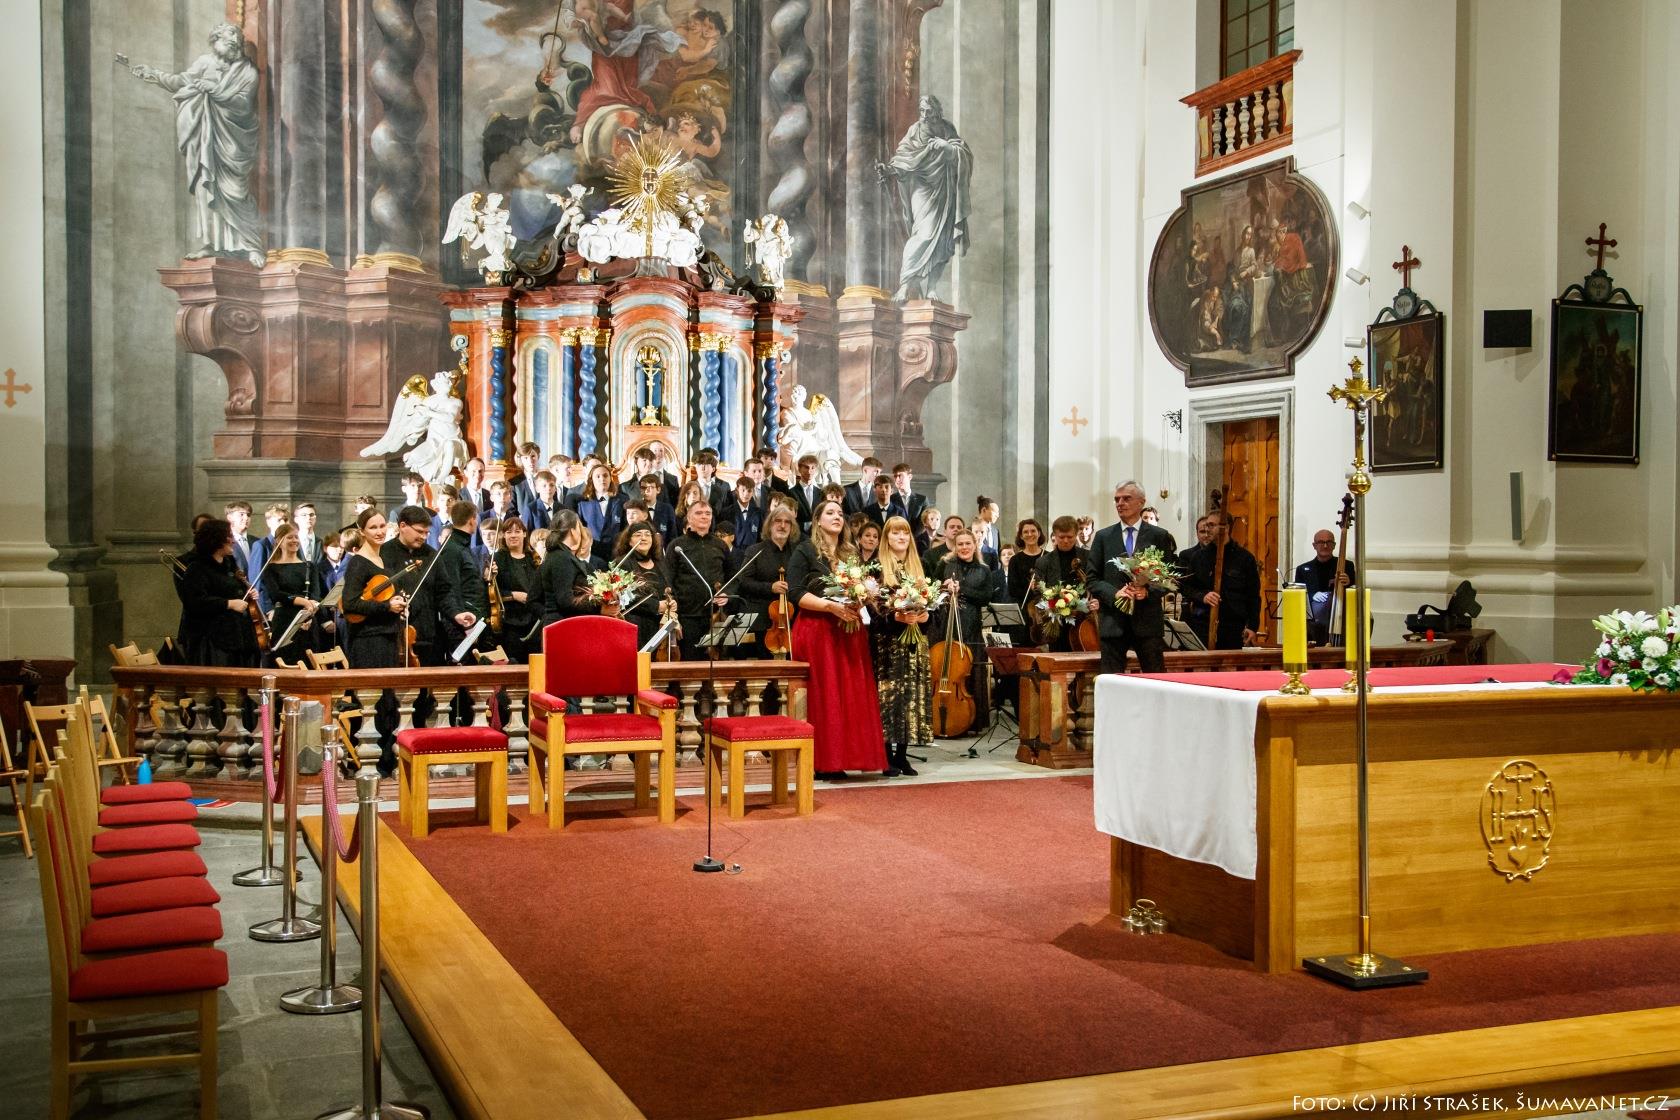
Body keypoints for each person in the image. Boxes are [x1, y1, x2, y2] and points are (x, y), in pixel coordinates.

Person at [787, 499, 888, 777]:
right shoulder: (805, 550)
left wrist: (863, 597)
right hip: (818, 629)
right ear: (817, 520)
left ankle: (850, 756)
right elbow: (795, 593)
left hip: (849, 630)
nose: (837, 517)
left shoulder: (850, 553)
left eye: (840, 513)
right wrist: (830, 606)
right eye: (830, 513)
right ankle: (824, 761)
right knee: (826, 694)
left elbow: (861, 589)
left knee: (851, 693)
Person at [1087, 481, 1177, 673]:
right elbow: (1092, 579)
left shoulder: (1159, 536)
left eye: (1126, 498)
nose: (1120, 503)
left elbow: (1167, 577)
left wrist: (1148, 591)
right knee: (1111, 679)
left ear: (1141, 502)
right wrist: (1114, 594)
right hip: (1113, 622)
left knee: (1156, 678)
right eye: (1117, 499)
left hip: (1147, 622)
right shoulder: (1103, 537)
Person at [872, 516, 932, 776]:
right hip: (888, 644)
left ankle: (902, 755)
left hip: (914, 643)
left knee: (910, 697)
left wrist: (926, 617)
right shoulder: (877, 568)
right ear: (887, 538)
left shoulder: (918, 567)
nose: (901, 537)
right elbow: (873, 612)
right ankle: (885, 756)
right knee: (889, 698)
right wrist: (894, 618)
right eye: (895, 533)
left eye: (905, 533)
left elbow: (930, 605)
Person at [179, 517, 261, 667]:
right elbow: (194, 602)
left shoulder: (229, 564)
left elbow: (235, 590)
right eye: (229, 536)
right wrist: (228, 604)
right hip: (212, 640)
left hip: (237, 635)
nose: (233, 540)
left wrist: (249, 594)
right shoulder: (197, 568)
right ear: (216, 540)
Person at [1179, 510, 1261, 650]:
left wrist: (1252, 626)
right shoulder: (1198, 557)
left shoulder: (1245, 558)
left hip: (1233, 626)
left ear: (1226, 527)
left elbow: (1253, 596)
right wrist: (1203, 596)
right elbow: (1186, 588)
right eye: (1206, 525)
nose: (1207, 529)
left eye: (1211, 525)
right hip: (1203, 624)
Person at [342, 508, 409, 669]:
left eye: (382, 526)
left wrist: (397, 601)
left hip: (387, 636)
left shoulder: (382, 559)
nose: (380, 532)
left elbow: (383, 596)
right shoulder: (358, 563)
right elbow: (350, 604)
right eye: (373, 527)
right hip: (368, 641)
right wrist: (387, 606)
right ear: (362, 531)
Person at [668, 498, 733, 659]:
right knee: (690, 664)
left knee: (717, 664)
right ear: (689, 518)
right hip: (688, 616)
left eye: (707, 513)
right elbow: (668, 579)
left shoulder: (720, 545)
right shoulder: (677, 546)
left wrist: (727, 594)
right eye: (698, 513)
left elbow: (733, 577)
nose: (704, 516)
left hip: (716, 616)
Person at [734, 504, 798, 658]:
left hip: (791, 619)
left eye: (787, 522)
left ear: (792, 527)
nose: (782, 525)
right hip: (762, 620)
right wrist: (770, 587)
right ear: (769, 525)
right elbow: (743, 581)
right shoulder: (755, 551)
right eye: (778, 521)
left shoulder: (797, 552)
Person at [539, 509, 615, 627]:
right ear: (573, 531)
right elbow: (565, 600)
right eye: (580, 527)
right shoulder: (561, 557)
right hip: (562, 626)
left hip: (564, 624)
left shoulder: (559, 555)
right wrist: (599, 609)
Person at [262, 521, 324, 665]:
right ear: (279, 541)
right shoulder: (271, 568)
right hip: (285, 621)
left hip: (308, 619)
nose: (294, 540)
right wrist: (303, 601)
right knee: (284, 660)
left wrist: (309, 613)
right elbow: (276, 595)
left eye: (296, 537)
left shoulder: (309, 566)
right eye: (289, 537)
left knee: (309, 662)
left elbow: (315, 594)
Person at [436, 500, 487, 660]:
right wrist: (464, 623)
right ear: (472, 520)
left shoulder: (461, 546)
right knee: (464, 668)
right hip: (463, 624)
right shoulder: (452, 549)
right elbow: (451, 588)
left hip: (471, 619)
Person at [614, 523, 674, 651]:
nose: (644, 538)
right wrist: (657, 606)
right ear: (629, 541)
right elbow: (624, 597)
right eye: (638, 535)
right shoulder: (622, 563)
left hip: (660, 625)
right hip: (635, 624)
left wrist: (672, 602)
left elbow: (670, 588)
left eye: (648, 534)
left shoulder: (661, 563)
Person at [1295, 527, 1356, 646]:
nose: (1325, 546)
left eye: (1329, 542)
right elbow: (1298, 596)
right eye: (1321, 542)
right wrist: (1312, 595)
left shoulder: (1347, 565)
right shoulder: (1302, 569)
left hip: (1341, 619)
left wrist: (1349, 582)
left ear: (1334, 545)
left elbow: (1355, 590)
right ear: (1314, 545)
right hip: (1314, 623)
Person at [493, 515, 541, 662]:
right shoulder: (498, 558)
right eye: (509, 532)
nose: (513, 535)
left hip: (534, 621)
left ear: (524, 534)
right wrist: (513, 595)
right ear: (503, 535)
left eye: (517, 531)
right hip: (510, 622)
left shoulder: (533, 557)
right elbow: (492, 592)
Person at [576, 462, 626, 566]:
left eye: (605, 475)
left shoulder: (622, 500)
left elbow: (625, 527)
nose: (602, 479)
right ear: (591, 480)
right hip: (593, 554)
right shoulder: (583, 503)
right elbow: (581, 529)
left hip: (615, 553)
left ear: (610, 479)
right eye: (597, 476)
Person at [721, 475, 763, 562]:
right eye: (743, 490)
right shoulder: (727, 512)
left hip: (752, 557)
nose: (746, 494)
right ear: (737, 490)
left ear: (753, 492)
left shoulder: (758, 513)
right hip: (732, 557)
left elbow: (760, 536)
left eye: (749, 491)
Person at [1008, 518, 1046, 605]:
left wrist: (1041, 588)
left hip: (1047, 606)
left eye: (1033, 531)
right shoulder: (1015, 560)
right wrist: (1030, 588)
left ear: (1039, 533)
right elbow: (1012, 590)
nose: (1030, 534)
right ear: (1021, 536)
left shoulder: (1048, 557)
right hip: (1023, 606)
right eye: (1025, 532)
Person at [789, 454, 824, 534]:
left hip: (818, 534)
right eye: (806, 467)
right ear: (799, 469)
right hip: (798, 534)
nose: (809, 471)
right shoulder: (790, 492)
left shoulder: (821, 493)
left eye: (812, 468)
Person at [973, 496, 1002, 571]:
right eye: (995, 512)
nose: (998, 515)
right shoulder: (969, 531)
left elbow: (998, 555)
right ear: (984, 510)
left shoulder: (995, 531)